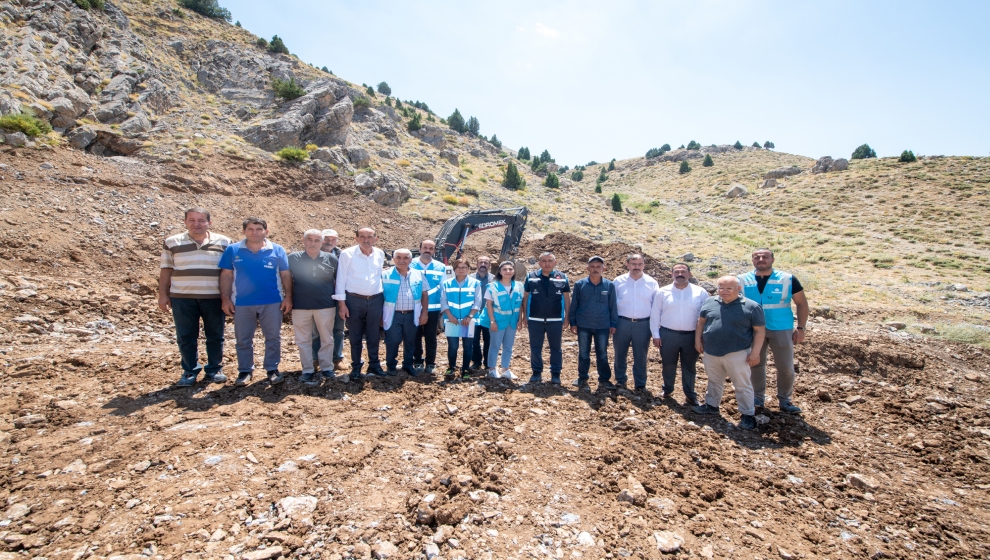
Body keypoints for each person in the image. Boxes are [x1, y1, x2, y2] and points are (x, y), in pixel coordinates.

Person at [158, 208, 231, 387]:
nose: (196, 224)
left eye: (201, 220)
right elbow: (166, 270)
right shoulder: (172, 242)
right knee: (185, 336)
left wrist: (227, 297)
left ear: (209, 222)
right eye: (192, 220)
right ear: (185, 222)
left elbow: (228, 273)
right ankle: (190, 370)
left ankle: (215, 369)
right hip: (182, 298)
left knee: (215, 335)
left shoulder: (224, 242)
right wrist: (162, 294)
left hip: (213, 297)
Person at [219, 217, 292, 386]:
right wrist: (225, 299)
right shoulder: (233, 250)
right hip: (242, 302)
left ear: (266, 232)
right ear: (244, 231)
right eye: (250, 229)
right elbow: (226, 275)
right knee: (243, 339)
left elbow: (285, 274)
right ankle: (245, 371)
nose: (254, 233)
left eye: (259, 229)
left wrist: (288, 297)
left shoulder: (277, 249)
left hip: (272, 301)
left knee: (273, 337)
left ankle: (272, 369)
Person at [738, 248, 810, 414]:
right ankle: (757, 398)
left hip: (781, 328)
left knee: (785, 366)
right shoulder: (742, 279)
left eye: (765, 256)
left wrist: (801, 328)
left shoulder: (787, 279)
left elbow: (802, 303)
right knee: (755, 364)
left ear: (772, 259)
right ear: (752, 260)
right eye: (757, 257)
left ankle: (785, 400)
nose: (761, 259)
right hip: (753, 329)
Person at [692, 276, 766, 430]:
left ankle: (747, 414)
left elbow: (759, 331)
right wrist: (698, 341)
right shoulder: (710, 302)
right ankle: (712, 405)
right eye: (720, 288)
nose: (723, 291)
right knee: (714, 380)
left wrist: (755, 352)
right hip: (711, 351)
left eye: (728, 288)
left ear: (739, 289)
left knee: (742, 384)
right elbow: (701, 322)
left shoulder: (751, 306)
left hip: (737, 352)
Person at [650, 263, 710, 405]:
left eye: (683, 271)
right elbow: (655, 314)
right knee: (668, 364)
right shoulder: (662, 292)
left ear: (690, 274)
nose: (680, 274)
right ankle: (668, 389)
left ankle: (690, 394)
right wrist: (655, 335)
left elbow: (707, 315)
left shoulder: (700, 292)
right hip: (668, 334)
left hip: (692, 336)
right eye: (676, 272)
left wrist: (702, 337)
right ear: (672, 274)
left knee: (689, 366)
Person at [334, 227, 387, 382]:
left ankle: (374, 365)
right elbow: (341, 279)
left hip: (376, 299)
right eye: (362, 237)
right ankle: (356, 366)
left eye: (370, 237)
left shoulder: (380, 253)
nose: (366, 240)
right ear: (356, 238)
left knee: (374, 334)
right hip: (353, 300)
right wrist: (342, 304)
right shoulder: (347, 254)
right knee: (355, 334)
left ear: (376, 238)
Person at [288, 229, 338, 385]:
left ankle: (327, 367)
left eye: (317, 240)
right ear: (303, 241)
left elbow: (338, 281)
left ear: (322, 242)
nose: (313, 243)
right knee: (303, 339)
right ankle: (307, 369)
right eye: (309, 239)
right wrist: (288, 298)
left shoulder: (331, 259)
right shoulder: (293, 258)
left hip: (325, 305)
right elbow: (287, 279)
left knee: (327, 338)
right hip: (300, 305)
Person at [568, 256, 618, 391]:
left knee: (602, 353)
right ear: (587, 268)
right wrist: (573, 322)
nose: (595, 269)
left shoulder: (610, 285)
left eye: (598, 267)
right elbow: (574, 304)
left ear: (603, 268)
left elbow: (613, 306)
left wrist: (613, 324)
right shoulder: (580, 284)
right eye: (593, 267)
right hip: (583, 325)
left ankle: (604, 379)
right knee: (583, 353)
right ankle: (582, 378)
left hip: (603, 325)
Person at [612, 254, 660, 392]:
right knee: (619, 353)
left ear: (644, 265)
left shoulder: (651, 283)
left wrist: (655, 328)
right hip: (622, 323)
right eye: (633, 264)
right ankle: (620, 380)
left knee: (641, 355)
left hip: (643, 324)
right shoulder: (618, 281)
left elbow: (656, 307)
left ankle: (640, 383)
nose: (636, 267)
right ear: (627, 264)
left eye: (639, 264)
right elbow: (612, 304)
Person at [521, 252, 570, 385]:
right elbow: (526, 297)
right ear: (539, 263)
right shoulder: (531, 277)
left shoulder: (562, 277)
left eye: (550, 261)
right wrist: (525, 315)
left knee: (556, 348)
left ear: (555, 262)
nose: (547, 263)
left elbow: (566, 298)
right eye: (544, 261)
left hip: (555, 319)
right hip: (535, 319)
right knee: (535, 347)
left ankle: (556, 373)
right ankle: (536, 371)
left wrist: (567, 317)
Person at [382, 249, 429, 376]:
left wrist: (424, 312)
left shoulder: (418, 274)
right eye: (398, 257)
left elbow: (425, 294)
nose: (402, 261)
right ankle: (391, 365)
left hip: (412, 314)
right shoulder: (385, 275)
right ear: (393, 258)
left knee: (410, 341)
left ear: (410, 259)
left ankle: (408, 364)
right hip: (393, 315)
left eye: (405, 257)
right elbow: (379, 296)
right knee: (393, 340)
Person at [440, 259, 482, 380]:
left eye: (464, 267)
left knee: (468, 346)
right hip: (451, 320)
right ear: (454, 269)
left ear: (469, 269)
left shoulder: (475, 283)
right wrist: (450, 315)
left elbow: (477, 302)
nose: (461, 269)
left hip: (468, 321)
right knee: (453, 346)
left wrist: (469, 317)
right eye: (458, 267)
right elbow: (443, 301)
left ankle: (465, 369)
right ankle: (451, 367)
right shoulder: (447, 283)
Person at [310, 229, 346, 371]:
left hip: (338, 298)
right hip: (318, 298)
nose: (329, 242)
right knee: (316, 330)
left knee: (338, 329)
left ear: (337, 241)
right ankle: (315, 359)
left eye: (333, 239)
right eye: (326, 239)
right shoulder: (311, 254)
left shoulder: (343, 256)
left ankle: (337, 358)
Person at [481, 261, 523, 379]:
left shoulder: (519, 286)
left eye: (510, 269)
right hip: (498, 320)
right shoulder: (492, 286)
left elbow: (520, 305)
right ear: (500, 272)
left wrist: (519, 320)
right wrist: (492, 321)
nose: (508, 271)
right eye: (505, 269)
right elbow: (489, 305)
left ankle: (505, 369)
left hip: (512, 321)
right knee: (494, 346)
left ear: (514, 271)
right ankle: (492, 369)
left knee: (508, 347)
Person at [411, 239, 446, 376]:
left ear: (434, 251)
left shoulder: (440, 267)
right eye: (425, 247)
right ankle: (417, 361)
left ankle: (430, 363)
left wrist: (444, 308)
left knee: (431, 336)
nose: (427, 250)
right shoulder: (410, 264)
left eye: (431, 248)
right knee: (415, 335)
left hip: (433, 309)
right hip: (414, 308)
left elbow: (444, 288)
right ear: (419, 249)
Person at [469, 255, 494, 373]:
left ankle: (488, 363)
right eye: (481, 262)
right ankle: (476, 362)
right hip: (473, 314)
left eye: (486, 262)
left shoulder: (494, 280)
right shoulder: (470, 279)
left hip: (489, 316)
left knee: (488, 339)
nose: (483, 264)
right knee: (474, 340)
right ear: (476, 264)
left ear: (489, 265)